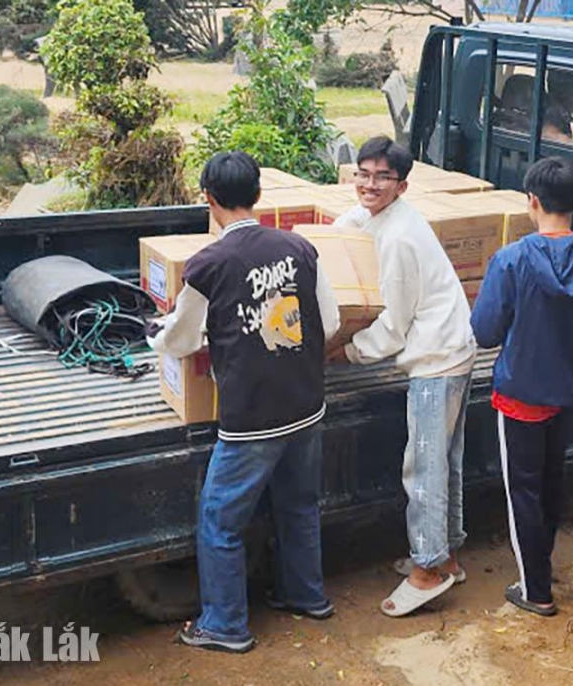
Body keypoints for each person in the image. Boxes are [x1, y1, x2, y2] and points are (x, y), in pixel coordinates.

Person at [149, 151, 341, 653]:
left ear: (209, 198)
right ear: (258, 195)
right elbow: (333, 322)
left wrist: (156, 338)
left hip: (252, 418)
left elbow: (183, 339)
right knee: (299, 505)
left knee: (220, 520)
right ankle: (307, 596)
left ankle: (225, 624)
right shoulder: (299, 247)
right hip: (306, 405)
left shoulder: (209, 263)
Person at [470, 157, 573, 616]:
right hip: (571, 392)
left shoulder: (512, 260)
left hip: (521, 395)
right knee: (552, 481)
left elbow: (485, 332)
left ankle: (535, 589)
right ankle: (541, 565)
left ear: (533, 201)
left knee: (523, 490)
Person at [333, 136, 477, 617]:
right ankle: (446, 554)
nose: (369, 185)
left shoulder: (398, 238)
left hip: (436, 361)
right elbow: (354, 223)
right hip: (451, 350)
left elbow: (392, 326)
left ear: (402, 185)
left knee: (424, 468)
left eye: (382, 177)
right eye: (363, 174)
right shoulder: (386, 217)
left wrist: (344, 353)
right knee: (444, 463)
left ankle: (429, 568)